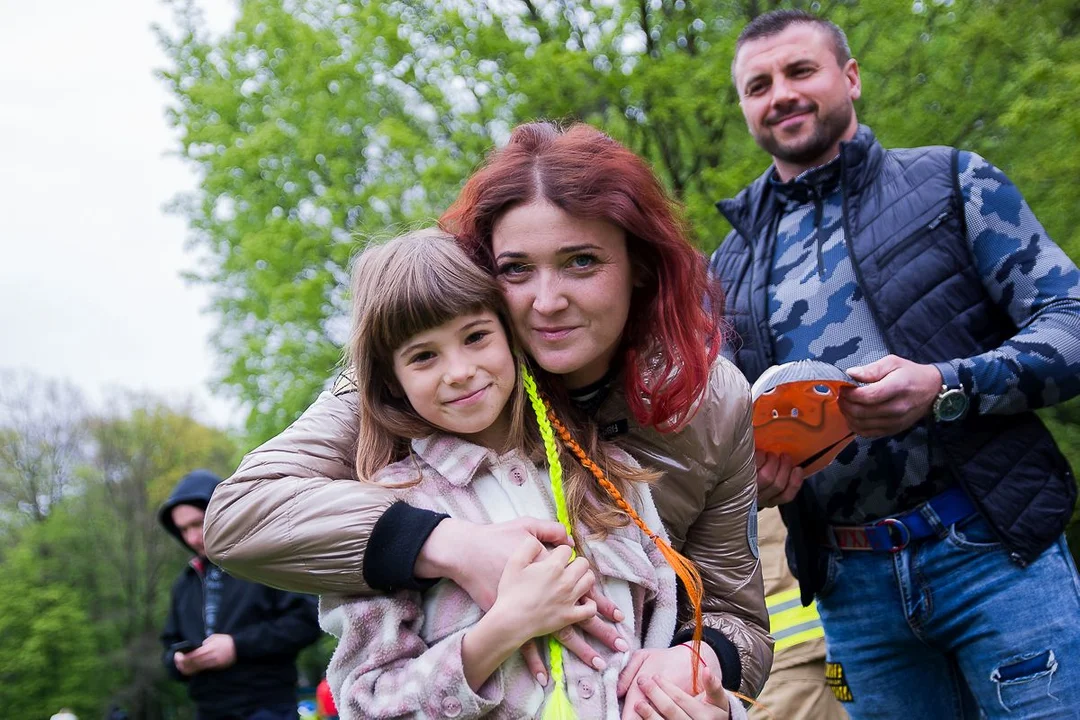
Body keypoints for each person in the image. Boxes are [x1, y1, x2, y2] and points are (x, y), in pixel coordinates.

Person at [202, 122, 771, 716]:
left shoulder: (709, 403)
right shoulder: (406, 387)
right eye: (517, 269)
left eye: (581, 262)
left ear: (640, 266)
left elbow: (743, 622)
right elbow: (242, 513)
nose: (547, 301)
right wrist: (452, 546)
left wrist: (697, 663)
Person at [709, 9, 1080, 718]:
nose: (780, 93)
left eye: (799, 71)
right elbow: (717, 432)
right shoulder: (725, 269)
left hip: (993, 555)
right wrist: (749, 479)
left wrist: (946, 385)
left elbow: (1071, 323)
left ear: (850, 77)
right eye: (758, 84)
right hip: (850, 595)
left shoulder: (951, 183)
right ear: (745, 107)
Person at [317, 229, 745, 719]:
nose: (458, 371)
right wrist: (499, 631)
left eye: (476, 337)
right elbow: (365, 705)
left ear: (512, 336)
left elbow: (667, 655)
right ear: (392, 377)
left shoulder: (612, 478)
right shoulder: (382, 515)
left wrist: (713, 706)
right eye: (423, 356)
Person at [159, 469, 323, 720]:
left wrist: (237, 646)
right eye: (183, 529)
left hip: (267, 708)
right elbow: (168, 646)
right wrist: (179, 661)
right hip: (207, 711)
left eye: (197, 523)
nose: (192, 537)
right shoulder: (185, 584)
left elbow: (308, 621)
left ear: (222, 513)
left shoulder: (262, 562)